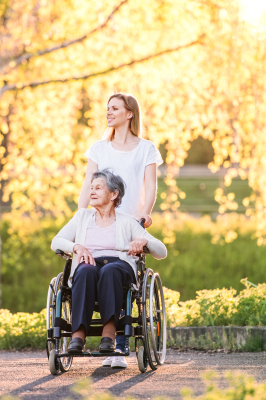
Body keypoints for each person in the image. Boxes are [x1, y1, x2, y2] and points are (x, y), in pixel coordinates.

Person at [78, 93, 163, 368]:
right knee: (94, 270)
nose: (108, 113)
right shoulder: (99, 149)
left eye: (114, 108)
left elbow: (150, 186)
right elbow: (87, 185)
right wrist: (81, 218)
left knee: (117, 272)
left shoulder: (146, 148)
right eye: (107, 109)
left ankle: (119, 342)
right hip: (101, 220)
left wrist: (145, 214)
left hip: (129, 224)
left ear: (130, 113)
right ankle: (102, 338)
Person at [51, 169, 166, 357]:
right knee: (86, 271)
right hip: (89, 264)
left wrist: (144, 242)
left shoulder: (128, 222)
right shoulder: (82, 217)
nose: (92, 192)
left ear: (114, 194)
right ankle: (78, 336)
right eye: (91, 188)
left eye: (98, 188)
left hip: (119, 266)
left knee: (110, 270)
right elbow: (56, 241)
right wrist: (77, 247)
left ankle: (109, 334)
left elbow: (162, 251)